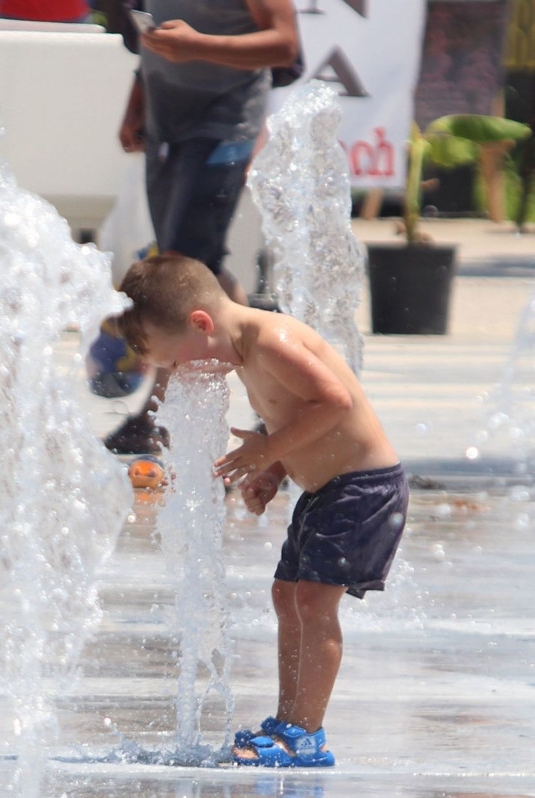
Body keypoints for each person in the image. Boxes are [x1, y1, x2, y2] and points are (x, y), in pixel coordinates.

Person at [116, 254, 409, 767]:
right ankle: (288, 720)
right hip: (326, 490)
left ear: (201, 324)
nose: (179, 374)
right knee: (286, 595)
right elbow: (293, 416)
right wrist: (273, 472)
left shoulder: (272, 341)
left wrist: (268, 451)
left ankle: (307, 734)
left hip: (363, 488)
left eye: (175, 361)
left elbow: (334, 403)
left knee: (314, 602)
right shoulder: (245, 351)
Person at [103, 0, 299, 455]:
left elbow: (285, 45)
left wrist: (199, 46)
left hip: (224, 123)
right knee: (187, 265)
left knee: (186, 263)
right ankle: (274, 394)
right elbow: (151, 38)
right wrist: (137, 103)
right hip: (166, 122)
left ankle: (158, 413)